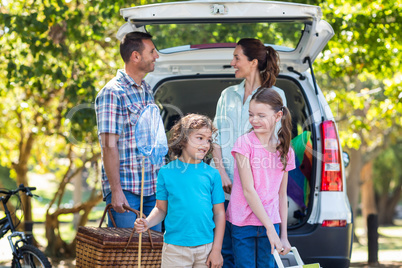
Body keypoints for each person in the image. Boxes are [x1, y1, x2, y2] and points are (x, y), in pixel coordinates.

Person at [211, 38, 287, 267]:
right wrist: (221, 172)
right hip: (227, 191)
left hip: (261, 197)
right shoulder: (227, 95)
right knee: (228, 254)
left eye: (237, 57)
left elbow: (279, 144)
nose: (232, 62)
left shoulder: (276, 95)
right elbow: (216, 137)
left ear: (253, 62)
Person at [135, 114, 226, 268]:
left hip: (206, 248)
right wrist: (147, 222)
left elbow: (219, 213)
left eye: (209, 139)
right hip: (175, 249)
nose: (205, 144)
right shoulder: (166, 172)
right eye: (200, 138)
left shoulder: (212, 174)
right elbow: (161, 209)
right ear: (183, 139)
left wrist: (216, 250)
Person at [95, 31, 162, 230]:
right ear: (136, 56)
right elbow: (108, 146)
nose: (156, 56)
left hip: (151, 189)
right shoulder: (112, 93)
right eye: (152, 51)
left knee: (151, 256)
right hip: (126, 191)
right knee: (126, 255)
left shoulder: (147, 90)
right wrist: (116, 191)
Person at [227, 88, 295, 267]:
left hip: (271, 223)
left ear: (278, 116)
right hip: (243, 223)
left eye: (261, 115)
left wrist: (283, 236)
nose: (254, 120)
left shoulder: (286, 150)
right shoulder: (244, 144)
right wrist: (271, 229)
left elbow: (282, 195)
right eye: (251, 114)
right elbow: (248, 190)